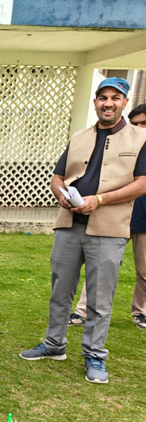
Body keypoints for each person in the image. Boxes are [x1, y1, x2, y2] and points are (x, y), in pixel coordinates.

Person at [20, 78, 146, 384]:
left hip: (109, 228)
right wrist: (60, 192)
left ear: (124, 103)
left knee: (100, 300)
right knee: (60, 290)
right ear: (95, 102)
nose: (108, 103)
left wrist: (100, 199)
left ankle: (94, 355)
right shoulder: (79, 136)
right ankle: (54, 345)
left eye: (115, 98)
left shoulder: (140, 139)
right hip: (68, 224)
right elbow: (57, 176)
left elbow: (142, 184)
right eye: (103, 97)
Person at [68, 103, 146, 331]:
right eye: (137, 123)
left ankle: (140, 311)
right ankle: (82, 311)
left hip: (142, 221)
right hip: (111, 217)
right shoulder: (116, 146)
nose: (141, 128)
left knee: (145, 270)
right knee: (98, 267)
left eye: (145, 124)